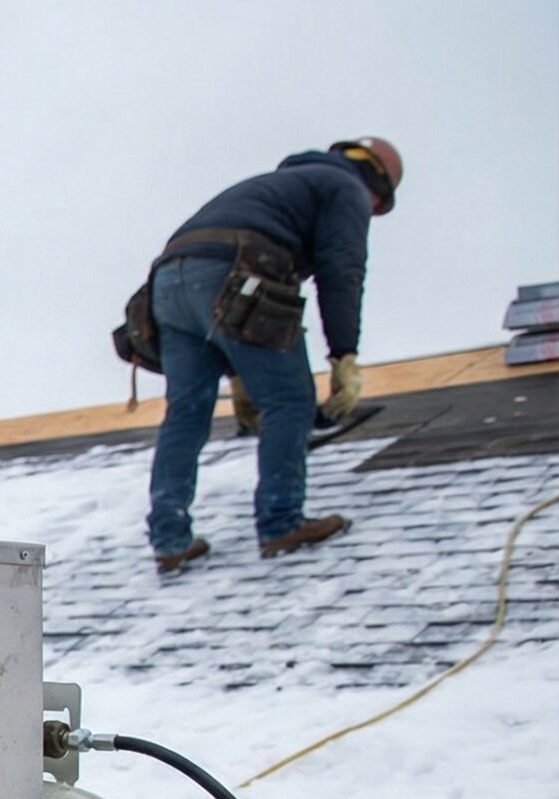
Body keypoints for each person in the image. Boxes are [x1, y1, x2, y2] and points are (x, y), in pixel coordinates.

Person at [144, 137, 401, 575]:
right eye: (377, 207)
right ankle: (281, 523)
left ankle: (170, 540)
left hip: (167, 283)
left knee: (186, 413)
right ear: (376, 183)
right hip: (236, 274)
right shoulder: (345, 189)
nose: (370, 212)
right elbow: (342, 271)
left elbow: (215, 287)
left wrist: (240, 373)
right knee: (290, 402)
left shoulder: (279, 185)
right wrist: (344, 355)